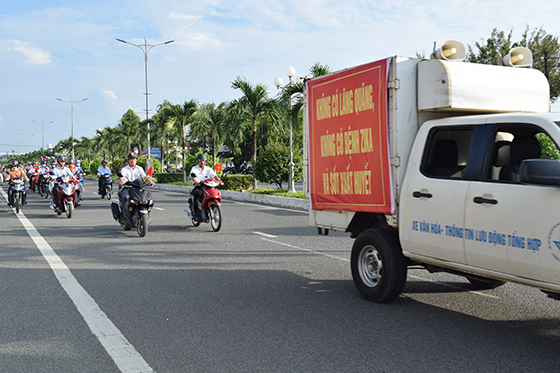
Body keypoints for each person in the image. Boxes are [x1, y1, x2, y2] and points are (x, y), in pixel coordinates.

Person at [118, 152, 154, 221]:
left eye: (134, 159)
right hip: (128, 188)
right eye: (131, 159)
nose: (132, 161)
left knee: (147, 198)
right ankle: (125, 215)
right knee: (125, 197)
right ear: (128, 160)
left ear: (136, 160)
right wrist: (122, 181)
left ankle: (147, 214)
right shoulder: (124, 169)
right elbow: (121, 177)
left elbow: (144, 176)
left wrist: (150, 181)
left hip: (138, 188)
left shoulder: (139, 168)